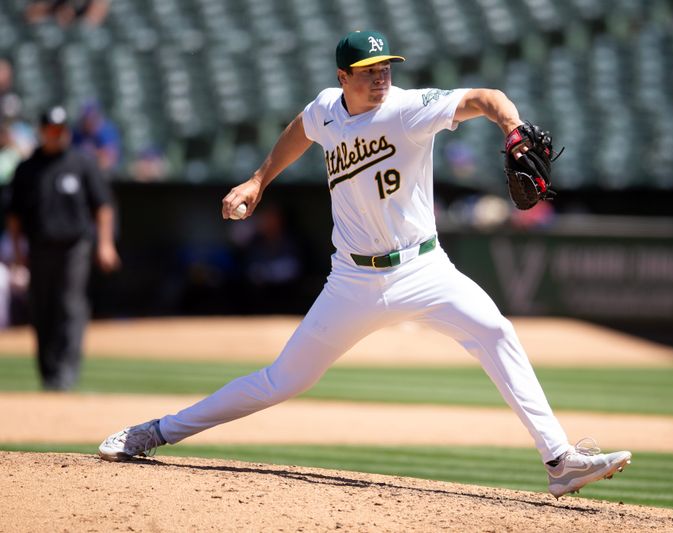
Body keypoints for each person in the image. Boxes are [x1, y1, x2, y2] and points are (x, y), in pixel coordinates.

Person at [98, 30, 631, 498]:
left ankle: (559, 460)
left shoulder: (410, 108)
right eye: (368, 71)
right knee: (281, 380)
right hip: (352, 279)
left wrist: (511, 129)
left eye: (384, 68)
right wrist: (259, 180)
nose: (380, 78)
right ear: (342, 76)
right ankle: (157, 431)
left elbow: (486, 97)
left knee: (495, 330)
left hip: (424, 270)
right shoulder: (327, 106)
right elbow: (302, 129)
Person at [5, 105, 120, 390]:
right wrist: (19, 255)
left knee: (70, 305)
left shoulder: (82, 163)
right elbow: (15, 217)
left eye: (61, 130)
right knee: (41, 309)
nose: (56, 135)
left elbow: (103, 207)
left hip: (74, 247)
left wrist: (105, 244)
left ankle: (66, 375)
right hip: (40, 247)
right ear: (42, 132)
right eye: (51, 130)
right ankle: (49, 374)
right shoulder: (28, 168)